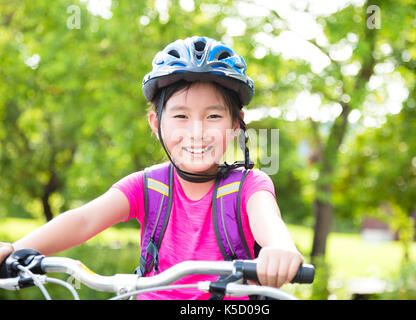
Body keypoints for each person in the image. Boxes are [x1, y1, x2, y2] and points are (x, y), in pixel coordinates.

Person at [0, 36, 304, 299]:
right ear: (156, 124)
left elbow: (271, 226)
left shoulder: (249, 186)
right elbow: (83, 220)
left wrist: (280, 250)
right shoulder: (147, 187)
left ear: (235, 126)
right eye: (181, 117)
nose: (196, 132)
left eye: (213, 117)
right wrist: (14, 249)